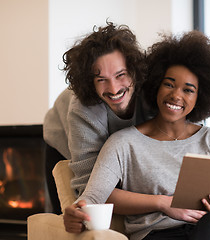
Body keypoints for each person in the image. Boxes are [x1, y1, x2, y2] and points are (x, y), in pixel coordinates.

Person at [63, 31, 210, 240]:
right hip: (156, 235)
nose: (176, 95)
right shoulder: (121, 143)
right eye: (169, 84)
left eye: (188, 90)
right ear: (155, 85)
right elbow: (92, 195)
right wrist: (76, 211)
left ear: (200, 97)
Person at [43, 22, 152, 202]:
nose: (114, 88)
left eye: (120, 75)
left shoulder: (152, 94)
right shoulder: (82, 110)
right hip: (61, 140)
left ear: (134, 70)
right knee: (66, 214)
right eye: (101, 79)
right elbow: (90, 190)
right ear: (90, 82)